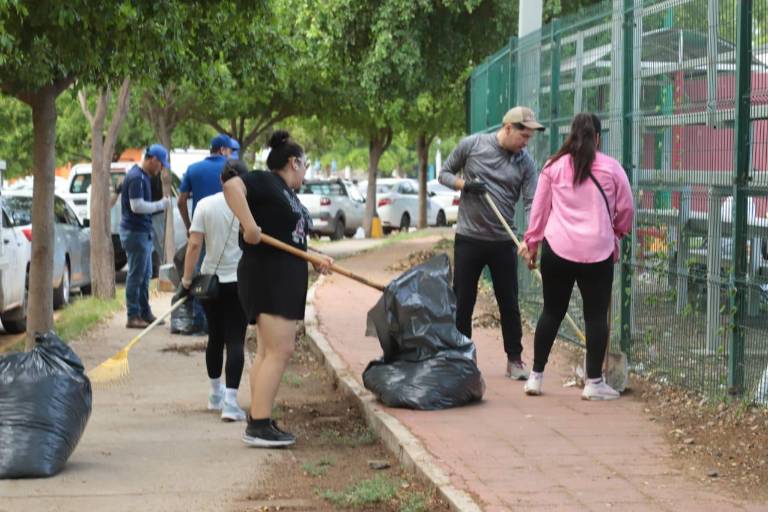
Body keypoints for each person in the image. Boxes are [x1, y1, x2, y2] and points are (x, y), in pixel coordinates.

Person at [223, 130, 332, 447]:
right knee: (280, 351)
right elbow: (232, 186)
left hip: (281, 276)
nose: (305, 172)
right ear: (293, 162)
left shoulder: (286, 193)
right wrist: (248, 224)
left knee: (268, 352)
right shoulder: (265, 180)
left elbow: (288, 240)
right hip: (268, 278)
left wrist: (312, 257)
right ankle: (258, 426)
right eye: (305, 165)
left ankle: (260, 417)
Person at [518, 113, 634, 400]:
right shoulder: (612, 168)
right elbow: (627, 209)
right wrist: (615, 234)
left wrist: (532, 242)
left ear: (571, 136)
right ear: (597, 138)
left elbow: (540, 209)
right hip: (598, 252)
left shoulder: (553, 167)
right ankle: (594, 382)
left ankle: (535, 377)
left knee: (551, 312)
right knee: (595, 317)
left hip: (558, 250)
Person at [438, 106, 544, 380]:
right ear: (508, 128)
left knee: (509, 301)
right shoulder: (472, 145)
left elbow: (532, 200)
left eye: (529, 137)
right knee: (463, 300)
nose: (525, 142)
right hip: (469, 238)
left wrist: (530, 238)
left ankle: (515, 359)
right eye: (523, 135)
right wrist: (465, 185)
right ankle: (462, 356)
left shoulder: (525, 162)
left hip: (502, 240)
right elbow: (444, 174)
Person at [173, 159, 249, 422]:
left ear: (221, 180)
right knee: (236, 340)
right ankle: (230, 402)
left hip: (210, 282)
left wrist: (185, 281)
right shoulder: (249, 208)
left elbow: (194, 245)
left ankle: (214, 395)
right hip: (239, 282)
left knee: (215, 338)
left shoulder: (205, 205)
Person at [178, 133, 235, 332]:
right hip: (229, 228)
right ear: (222, 150)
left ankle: (200, 321)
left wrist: (189, 226)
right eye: (230, 150)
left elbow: (181, 199)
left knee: (200, 274)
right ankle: (227, 321)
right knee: (230, 273)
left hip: (202, 228)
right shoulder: (231, 169)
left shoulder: (193, 169)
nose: (231, 155)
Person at [120, 144, 172, 328]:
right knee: (136, 275)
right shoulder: (137, 179)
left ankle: (144, 312)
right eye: (161, 164)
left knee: (146, 273)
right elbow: (137, 206)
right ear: (153, 160)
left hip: (142, 232)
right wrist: (161, 205)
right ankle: (133, 315)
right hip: (135, 233)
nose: (161, 168)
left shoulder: (142, 177)